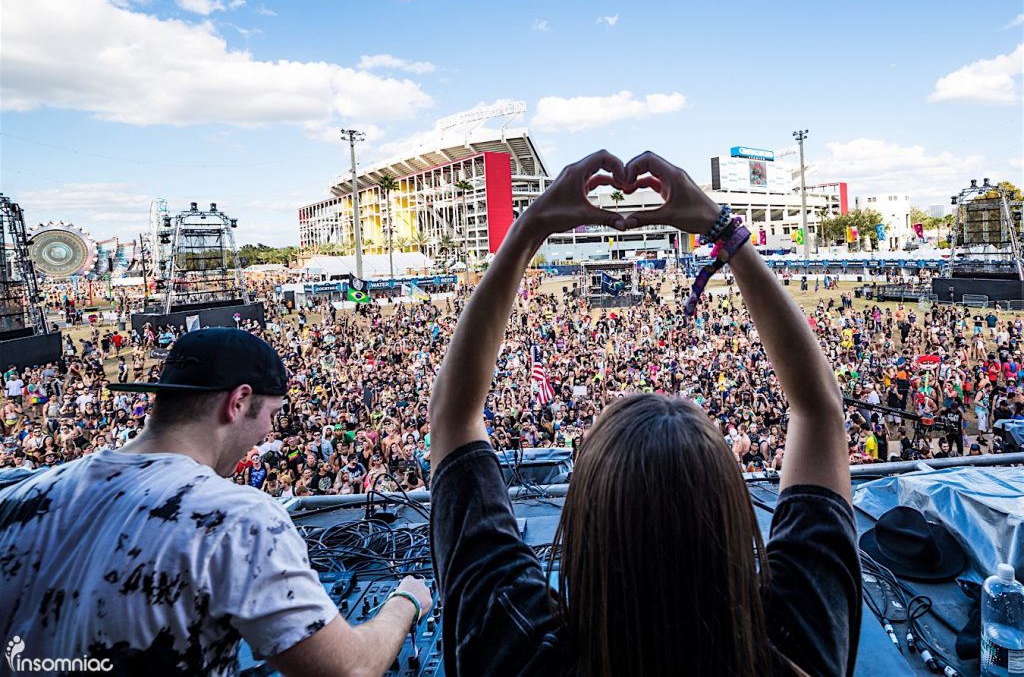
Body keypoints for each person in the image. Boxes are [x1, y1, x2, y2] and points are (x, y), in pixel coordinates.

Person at [428, 151, 860, 676]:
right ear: (732, 523)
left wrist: (529, 226)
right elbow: (819, 410)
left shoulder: (515, 646)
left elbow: (452, 415)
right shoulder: (797, 641)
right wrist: (724, 230)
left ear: (583, 531)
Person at [0, 328, 430, 675]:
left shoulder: (20, 494)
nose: (269, 433)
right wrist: (405, 602)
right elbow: (348, 669)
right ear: (238, 402)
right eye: (272, 415)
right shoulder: (235, 519)